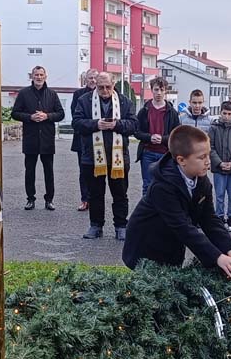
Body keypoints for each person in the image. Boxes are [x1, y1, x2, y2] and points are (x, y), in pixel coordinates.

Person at [122, 125, 231, 277]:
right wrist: (218, 257)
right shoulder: (161, 187)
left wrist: (229, 249)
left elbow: (209, 219)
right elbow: (183, 227)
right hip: (145, 251)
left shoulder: (203, 182)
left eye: (208, 155)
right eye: (202, 157)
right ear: (181, 160)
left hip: (171, 247)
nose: (208, 162)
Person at [72, 72, 138, 240]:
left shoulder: (125, 102)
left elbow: (134, 125)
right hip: (91, 157)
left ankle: (121, 226)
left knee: (120, 194)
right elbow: (76, 123)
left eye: (108, 87)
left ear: (113, 84)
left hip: (119, 157)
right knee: (95, 194)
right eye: (100, 87)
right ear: (96, 85)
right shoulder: (84, 100)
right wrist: (96, 124)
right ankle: (96, 225)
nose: (104, 90)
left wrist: (117, 125)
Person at [11, 65, 65, 210]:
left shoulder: (52, 94)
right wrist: (30, 117)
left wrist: (47, 116)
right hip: (31, 139)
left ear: (45, 76)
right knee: (29, 172)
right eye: (36, 75)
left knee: (49, 171)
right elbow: (15, 113)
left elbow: (61, 114)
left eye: (41, 75)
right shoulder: (23, 93)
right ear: (32, 77)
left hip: (47, 140)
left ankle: (49, 200)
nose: (39, 77)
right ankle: (30, 199)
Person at [135, 77, 180, 196]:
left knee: (165, 186)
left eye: (161, 90)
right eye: (156, 90)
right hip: (147, 153)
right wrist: (149, 137)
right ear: (151, 90)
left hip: (165, 154)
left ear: (165, 91)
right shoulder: (144, 110)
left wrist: (164, 139)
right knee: (147, 186)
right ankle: (147, 213)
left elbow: (177, 134)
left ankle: (162, 213)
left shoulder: (172, 112)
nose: (159, 93)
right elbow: (137, 132)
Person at [69, 69, 98, 211]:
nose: (92, 80)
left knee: (99, 170)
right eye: (90, 78)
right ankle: (85, 199)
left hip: (101, 138)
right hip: (82, 139)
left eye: (95, 78)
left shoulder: (104, 93)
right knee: (84, 171)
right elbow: (75, 116)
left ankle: (96, 199)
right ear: (85, 79)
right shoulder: (78, 95)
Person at [209, 100, 231, 231]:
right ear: (220, 113)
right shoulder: (214, 128)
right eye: (224, 113)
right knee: (219, 195)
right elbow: (211, 147)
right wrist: (219, 163)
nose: (226, 116)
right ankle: (219, 217)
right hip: (219, 168)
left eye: (229, 113)